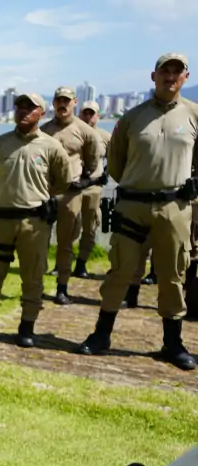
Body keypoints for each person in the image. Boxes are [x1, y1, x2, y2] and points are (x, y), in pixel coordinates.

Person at [78, 53, 197, 371]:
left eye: (177, 72)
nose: (170, 76)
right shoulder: (131, 118)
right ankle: (101, 335)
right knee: (120, 271)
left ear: (185, 77)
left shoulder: (194, 115)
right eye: (164, 71)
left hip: (175, 208)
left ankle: (173, 343)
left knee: (173, 275)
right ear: (153, 76)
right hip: (132, 205)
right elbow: (116, 163)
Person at [0, 93, 70, 347]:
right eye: (19, 106)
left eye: (30, 107)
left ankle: (26, 328)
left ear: (42, 113)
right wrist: (8, 192)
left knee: (33, 276)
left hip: (34, 223)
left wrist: (36, 196)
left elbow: (62, 181)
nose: (23, 111)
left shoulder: (51, 146)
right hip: (1, 220)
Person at [40, 86, 102, 305]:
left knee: (66, 242)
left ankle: (62, 288)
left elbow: (94, 157)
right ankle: (36, 285)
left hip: (70, 194)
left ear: (75, 102)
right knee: (40, 240)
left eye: (67, 100)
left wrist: (83, 177)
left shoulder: (84, 130)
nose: (62, 104)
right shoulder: (45, 130)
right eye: (59, 100)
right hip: (46, 193)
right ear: (54, 103)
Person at [73, 100, 112, 280]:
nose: (88, 116)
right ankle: (61, 264)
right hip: (72, 188)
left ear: (98, 116)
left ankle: (81, 264)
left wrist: (107, 173)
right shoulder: (73, 132)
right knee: (68, 228)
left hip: (93, 189)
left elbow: (118, 157)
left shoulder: (105, 136)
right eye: (85, 113)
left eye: (91, 113)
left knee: (90, 227)